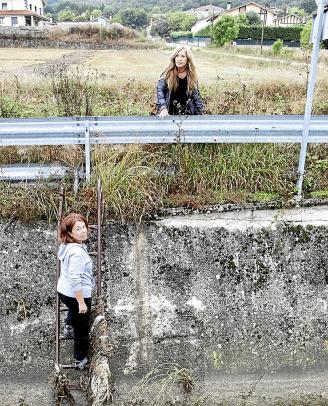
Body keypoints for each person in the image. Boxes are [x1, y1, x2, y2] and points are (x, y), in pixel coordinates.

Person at [57, 213, 94, 370]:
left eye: (84, 227)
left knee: (73, 311)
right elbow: (74, 278)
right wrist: (81, 302)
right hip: (77, 294)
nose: (83, 231)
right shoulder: (77, 252)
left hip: (63, 291)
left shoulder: (67, 246)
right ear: (70, 233)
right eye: (78, 229)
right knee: (82, 328)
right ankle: (80, 359)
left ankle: (68, 326)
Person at [156, 45, 204, 119]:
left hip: (188, 115)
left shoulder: (191, 76)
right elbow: (160, 92)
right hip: (169, 114)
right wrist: (163, 108)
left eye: (182, 56)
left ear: (187, 59)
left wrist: (201, 113)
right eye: (177, 56)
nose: (179, 59)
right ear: (174, 58)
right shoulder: (167, 73)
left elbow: (196, 96)